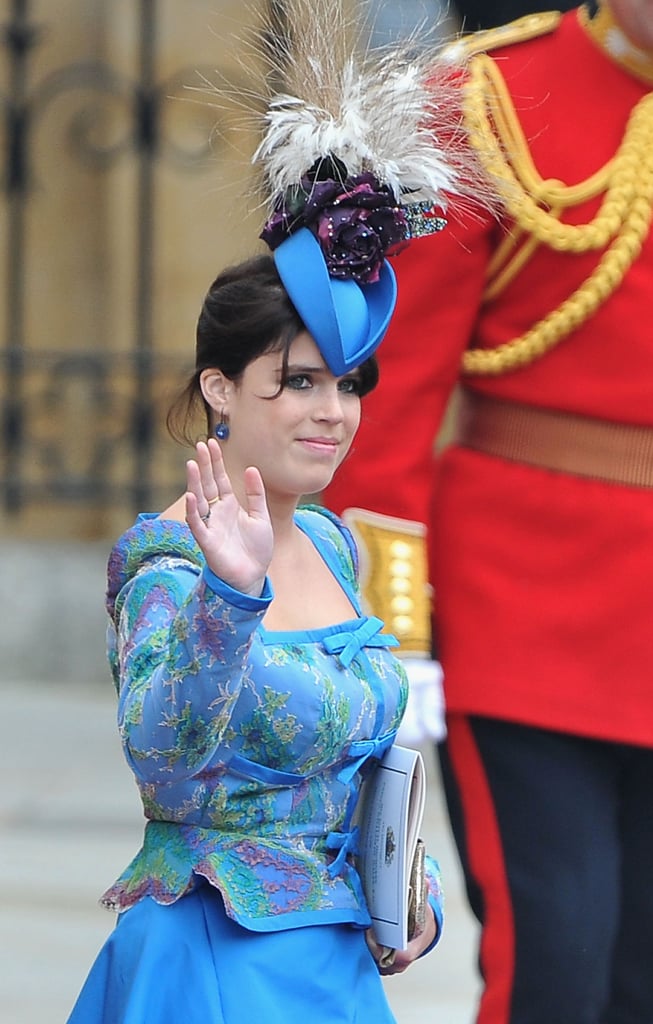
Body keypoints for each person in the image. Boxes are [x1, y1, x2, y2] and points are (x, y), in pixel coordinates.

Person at [64, 1, 492, 1016]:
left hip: (335, 963)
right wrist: (232, 592)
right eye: (295, 381)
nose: (331, 411)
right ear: (218, 388)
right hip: (211, 961)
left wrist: (409, 882)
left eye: (347, 384)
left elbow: (362, 762)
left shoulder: (337, 545)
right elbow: (164, 755)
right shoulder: (167, 558)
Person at [324, 3, 653, 1023]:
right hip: (527, 614)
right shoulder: (483, 104)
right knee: (559, 958)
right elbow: (387, 409)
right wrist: (385, 635)